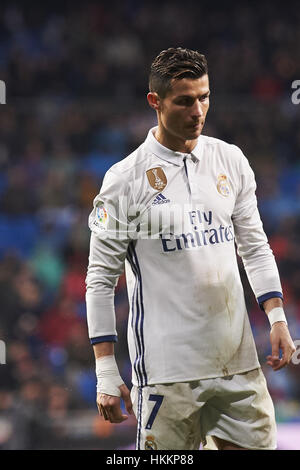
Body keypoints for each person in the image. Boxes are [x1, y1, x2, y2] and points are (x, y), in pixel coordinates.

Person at [85, 47, 296, 450]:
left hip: (237, 365)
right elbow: (99, 280)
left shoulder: (230, 160)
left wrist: (278, 318)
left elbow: (254, 245)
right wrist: (106, 370)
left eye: (204, 97)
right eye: (184, 101)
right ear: (155, 102)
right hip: (167, 373)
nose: (197, 110)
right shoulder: (123, 181)